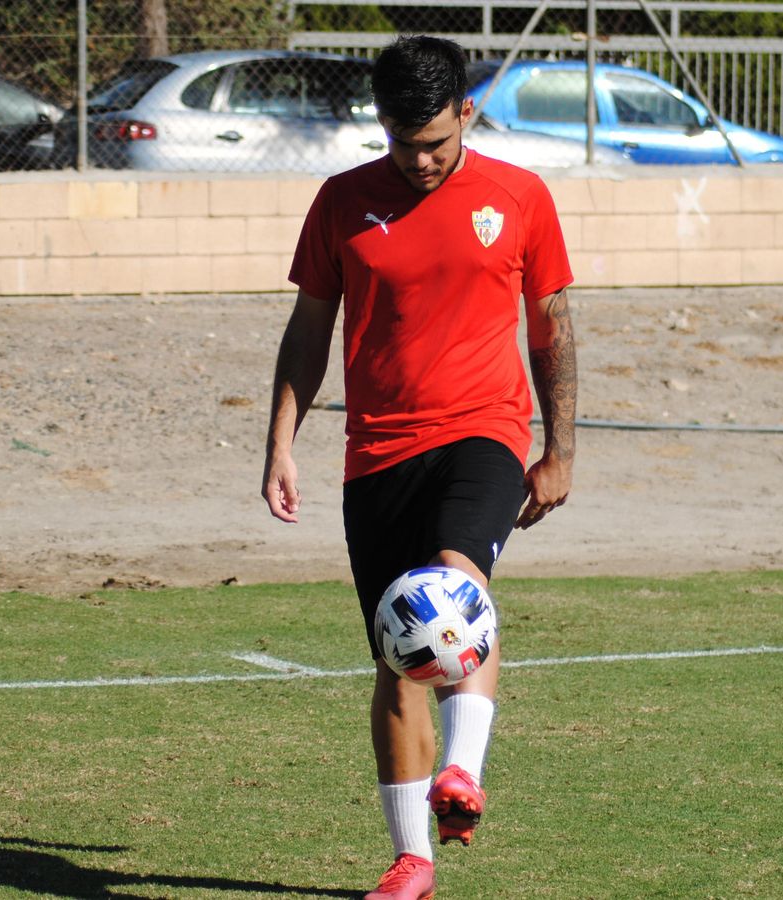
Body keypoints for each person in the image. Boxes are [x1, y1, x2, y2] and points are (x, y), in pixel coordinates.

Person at [260, 35, 577, 900]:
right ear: (381, 126)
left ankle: (463, 772)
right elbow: (308, 330)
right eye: (404, 143)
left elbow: (550, 326)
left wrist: (560, 449)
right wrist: (282, 439)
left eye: (436, 141)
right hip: (377, 454)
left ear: (467, 111)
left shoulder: (520, 196)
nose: (421, 159)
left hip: (485, 433)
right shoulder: (341, 202)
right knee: (399, 649)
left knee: (451, 584)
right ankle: (413, 861)